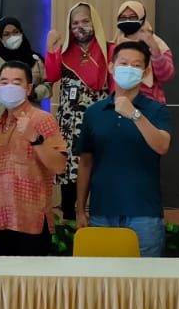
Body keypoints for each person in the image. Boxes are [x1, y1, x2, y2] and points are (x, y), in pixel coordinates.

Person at [74, 41, 172, 257]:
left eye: (136, 65)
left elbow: (162, 146)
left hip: (144, 213)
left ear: (145, 72)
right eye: (124, 63)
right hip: (102, 212)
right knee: (103, 276)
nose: (129, 69)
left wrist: (135, 115)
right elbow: (86, 163)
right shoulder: (94, 112)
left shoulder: (156, 110)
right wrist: (80, 209)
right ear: (111, 67)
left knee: (144, 276)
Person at [0, 61, 67, 256]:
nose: (9, 87)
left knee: (30, 277)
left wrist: (35, 139)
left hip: (32, 224)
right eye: (4, 82)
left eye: (16, 82)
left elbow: (60, 166)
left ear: (28, 88)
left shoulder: (43, 119)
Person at [44, 2, 111, 219]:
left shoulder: (109, 50)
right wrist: (51, 49)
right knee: (70, 168)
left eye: (85, 21)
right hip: (70, 121)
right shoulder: (65, 52)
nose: (79, 27)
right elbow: (52, 76)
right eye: (74, 23)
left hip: (99, 118)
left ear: (94, 23)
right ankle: (69, 214)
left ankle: (98, 216)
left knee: (98, 166)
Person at [0, 16, 49, 122]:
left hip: (31, 117)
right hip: (3, 117)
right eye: (6, 34)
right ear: (1, 39)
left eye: (15, 32)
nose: (12, 36)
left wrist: (33, 93)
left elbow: (47, 85)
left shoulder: (36, 59)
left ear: (21, 33)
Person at [111, 1, 174, 103]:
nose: (127, 20)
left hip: (150, 103)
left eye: (132, 17)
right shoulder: (114, 45)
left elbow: (166, 76)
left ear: (142, 18)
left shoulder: (157, 44)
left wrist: (155, 50)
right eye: (122, 18)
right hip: (119, 102)